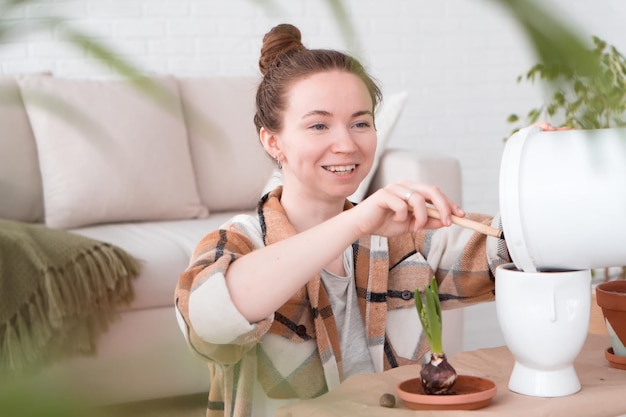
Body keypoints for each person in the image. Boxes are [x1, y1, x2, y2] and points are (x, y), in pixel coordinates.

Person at [175, 23, 510, 417]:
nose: (347, 144)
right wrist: (355, 223)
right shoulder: (239, 243)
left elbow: (511, 249)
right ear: (272, 141)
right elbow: (208, 322)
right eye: (318, 125)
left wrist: (546, 170)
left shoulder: (402, 240)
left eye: (360, 122)